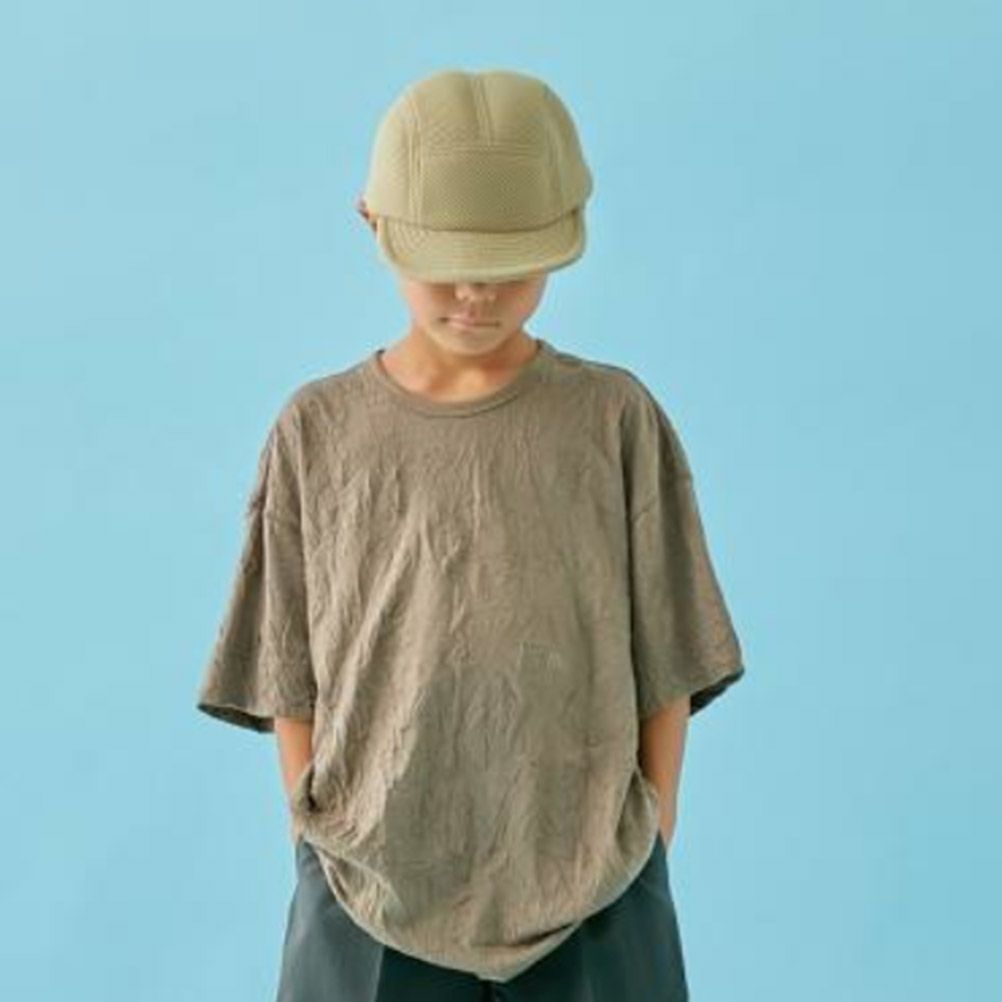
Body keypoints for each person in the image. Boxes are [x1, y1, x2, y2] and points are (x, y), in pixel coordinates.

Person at [196, 67, 745, 1001]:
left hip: (596, 884)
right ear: (373, 223)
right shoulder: (317, 431)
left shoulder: (614, 420)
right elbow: (286, 660)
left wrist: (649, 836)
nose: (473, 294)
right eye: (444, 263)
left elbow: (672, 649)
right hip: (366, 883)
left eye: (508, 269)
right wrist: (314, 835)